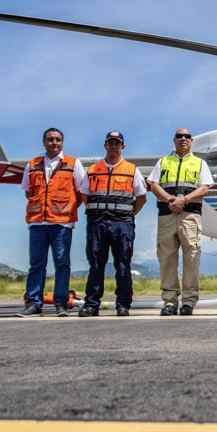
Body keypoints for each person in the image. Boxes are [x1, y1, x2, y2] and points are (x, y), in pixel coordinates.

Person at [16, 128, 87, 317]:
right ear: (44, 142)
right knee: (36, 264)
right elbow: (27, 191)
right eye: (50, 139)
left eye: (57, 140)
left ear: (62, 143)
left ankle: (61, 303)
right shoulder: (32, 164)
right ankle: (34, 304)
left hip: (62, 223)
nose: (54, 143)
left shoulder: (73, 163)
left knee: (62, 263)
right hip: (38, 222)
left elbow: (81, 191)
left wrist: (68, 209)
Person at [78, 131, 147, 317]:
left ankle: (123, 304)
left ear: (122, 146)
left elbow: (142, 197)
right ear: (105, 145)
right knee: (96, 264)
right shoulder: (92, 170)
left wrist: (129, 215)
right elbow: (84, 195)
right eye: (110, 142)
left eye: (117, 143)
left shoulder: (132, 170)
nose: (113, 146)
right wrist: (98, 211)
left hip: (122, 224)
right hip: (97, 223)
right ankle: (92, 304)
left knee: (123, 264)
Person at [147, 128, 213, 316]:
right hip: (167, 215)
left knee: (192, 257)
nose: (183, 139)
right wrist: (170, 200)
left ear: (191, 141)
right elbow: (153, 185)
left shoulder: (199, 163)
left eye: (186, 136)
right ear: (174, 140)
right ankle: (170, 302)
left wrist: (183, 200)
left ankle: (189, 302)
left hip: (190, 216)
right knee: (167, 258)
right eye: (179, 136)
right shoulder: (163, 161)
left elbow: (205, 188)